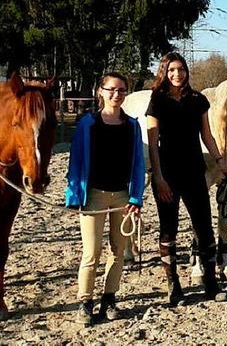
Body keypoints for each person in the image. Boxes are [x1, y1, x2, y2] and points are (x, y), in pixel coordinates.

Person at [145, 52, 227, 305]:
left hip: (194, 171)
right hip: (168, 173)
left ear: (186, 71)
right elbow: (152, 143)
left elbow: (207, 136)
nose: (176, 74)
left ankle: (211, 284)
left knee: (204, 227)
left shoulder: (198, 100)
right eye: (171, 70)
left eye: (180, 69)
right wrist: (158, 177)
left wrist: (221, 162)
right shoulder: (157, 101)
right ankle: (174, 286)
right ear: (164, 72)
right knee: (169, 229)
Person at [65, 72, 145, 326]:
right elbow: (75, 162)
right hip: (94, 198)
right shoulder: (87, 124)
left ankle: (109, 298)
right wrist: (74, 195)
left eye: (121, 90)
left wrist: (136, 198)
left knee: (118, 251)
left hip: (122, 197)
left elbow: (138, 166)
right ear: (101, 91)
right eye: (111, 89)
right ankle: (85, 301)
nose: (116, 94)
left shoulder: (132, 126)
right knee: (91, 253)